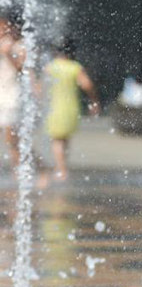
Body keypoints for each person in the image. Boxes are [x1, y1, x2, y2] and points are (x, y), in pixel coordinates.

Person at [43, 38, 100, 181]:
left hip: (54, 108)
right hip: (70, 107)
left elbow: (40, 88)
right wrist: (94, 101)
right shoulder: (74, 67)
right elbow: (87, 85)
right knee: (65, 139)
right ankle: (61, 167)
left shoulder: (50, 67)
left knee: (57, 140)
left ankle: (61, 170)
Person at [0, 12, 25, 172]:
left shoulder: (20, 45)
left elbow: (20, 68)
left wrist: (8, 54)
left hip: (12, 97)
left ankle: (22, 173)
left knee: (12, 139)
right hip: (2, 95)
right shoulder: (4, 43)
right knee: (11, 139)